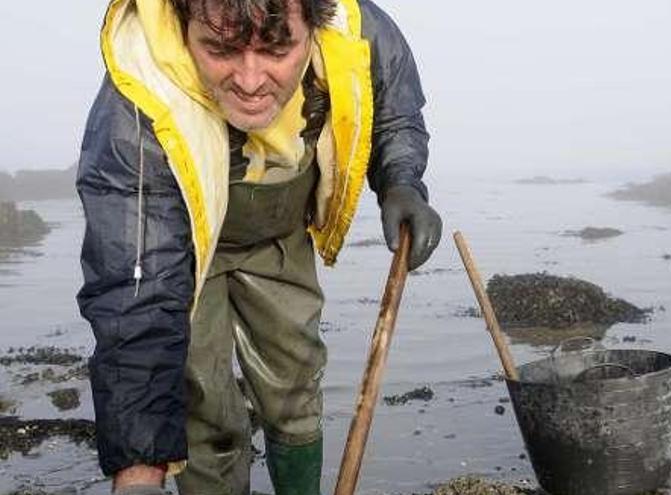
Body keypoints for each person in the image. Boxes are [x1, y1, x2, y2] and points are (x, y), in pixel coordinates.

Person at [75, 0, 442, 493]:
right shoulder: (137, 101)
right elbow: (134, 292)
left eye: (276, 49)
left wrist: (400, 182)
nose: (250, 82)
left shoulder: (357, 29)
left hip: (280, 236)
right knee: (201, 400)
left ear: (314, 23)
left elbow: (393, 107)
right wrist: (140, 467)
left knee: (295, 380)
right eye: (221, 49)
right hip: (182, 251)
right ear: (183, 28)